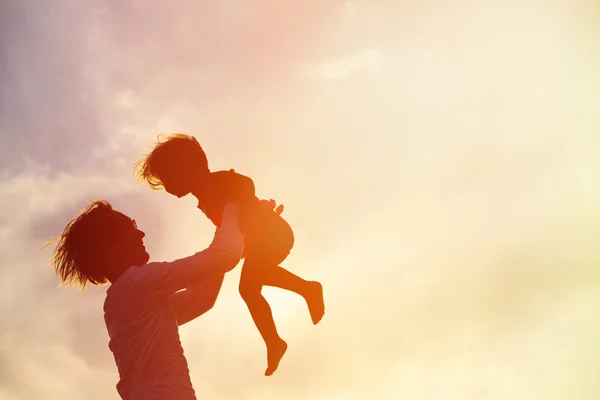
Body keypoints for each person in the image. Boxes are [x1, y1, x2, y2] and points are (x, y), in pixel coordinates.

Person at [135, 133, 325, 376]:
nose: (167, 186)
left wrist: (244, 208)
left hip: (272, 234)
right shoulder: (204, 197)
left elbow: (245, 184)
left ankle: (302, 298)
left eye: (168, 177)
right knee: (250, 287)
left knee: (248, 287)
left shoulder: (215, 183)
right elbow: (228, 224)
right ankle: (279, 335)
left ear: (187, 169)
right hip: (260, 240)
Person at [44, 199, 244, 400]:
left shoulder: (126, 300)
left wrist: (231, 232)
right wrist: (232, 206)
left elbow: (199, 300)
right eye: (131, 227)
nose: (141, 234)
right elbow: (224, 256)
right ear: (111, 247)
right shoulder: (136, 283)